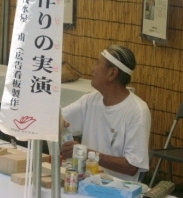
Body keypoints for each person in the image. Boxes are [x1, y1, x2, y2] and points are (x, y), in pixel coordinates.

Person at [61, 45, 151, 182]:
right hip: (86, 184)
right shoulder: (91, 100)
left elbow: (132, 166)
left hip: (117, 191)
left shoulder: (137, 111)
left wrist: (86, 153)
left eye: (97, 63)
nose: (93, 68)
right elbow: (59, 119)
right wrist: (57, 122)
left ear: (112, 73)